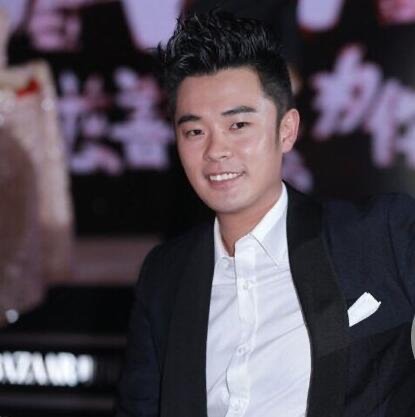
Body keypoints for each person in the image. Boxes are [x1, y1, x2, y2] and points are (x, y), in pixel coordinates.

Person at [115, 11, 415, 417]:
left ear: (286, 130)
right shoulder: (165, 274)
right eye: (195, 131)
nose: (216, 150)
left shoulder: (380, 235)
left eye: (238, 125)